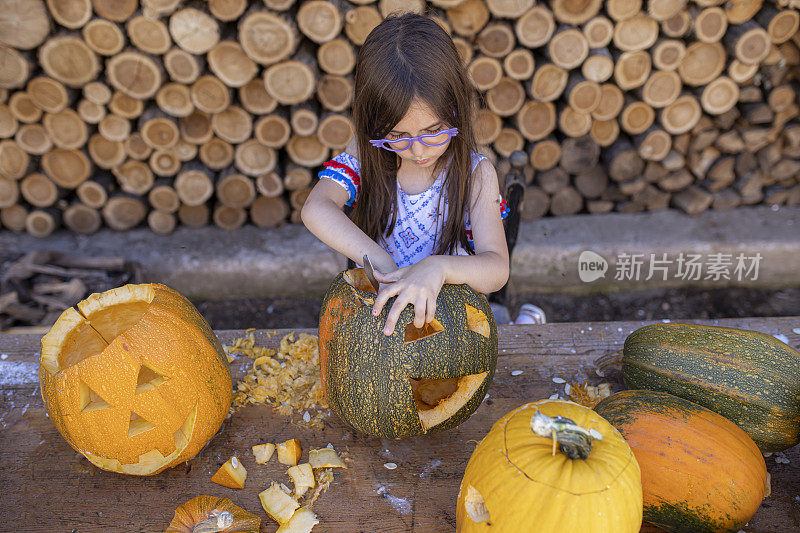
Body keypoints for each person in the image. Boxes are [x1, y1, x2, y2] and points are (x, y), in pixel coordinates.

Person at [302, 13, 527, 336]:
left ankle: (526, 320)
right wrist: (384, 266)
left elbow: (496, 269)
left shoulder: (476, 175)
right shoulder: (366, 152)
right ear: (374, 124)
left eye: (433, 132)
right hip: (386, 318)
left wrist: (437, 267)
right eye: (397, 136)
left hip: (452, 327)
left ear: (456, 107)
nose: (418, 151)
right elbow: (315, 209)